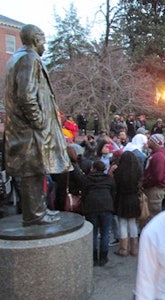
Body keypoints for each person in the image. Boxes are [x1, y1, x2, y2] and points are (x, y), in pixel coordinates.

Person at [4, 24, 72, 226]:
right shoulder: (29, 58)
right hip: (30, 130)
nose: (45, 45)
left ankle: (37, 211)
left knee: (33, 171)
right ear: (35, 39)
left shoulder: (18, 58)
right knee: (32, 171)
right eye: (43, 40)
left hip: (25, 128)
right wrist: (39, 121)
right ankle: (34, 214)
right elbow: (26, 95)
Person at [82, 160, 116, 266]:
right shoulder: (109, 179)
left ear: (94, 168)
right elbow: (113, 192)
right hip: (106, 206)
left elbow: (84, 193)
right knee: (105, 233)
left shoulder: (87, 179)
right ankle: (103, 257)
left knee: (94, 233)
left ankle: (93, 257)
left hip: (91, 206)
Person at [112, 151, 143, 257]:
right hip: (134, 197)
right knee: (133, 223)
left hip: (121, 198)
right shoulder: (138, 171)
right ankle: (134, 249)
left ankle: (123, 248)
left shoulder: (119, 171)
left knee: (122, 223)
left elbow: (113, 184)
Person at [143, 134, 165, 218]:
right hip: (152, 187)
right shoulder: (155, 154)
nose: (148, 142)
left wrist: (146, 183)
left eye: (150, 140)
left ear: (155, 142)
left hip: (154, 189)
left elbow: (158, 176)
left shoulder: (158, 156)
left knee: (152, 214)